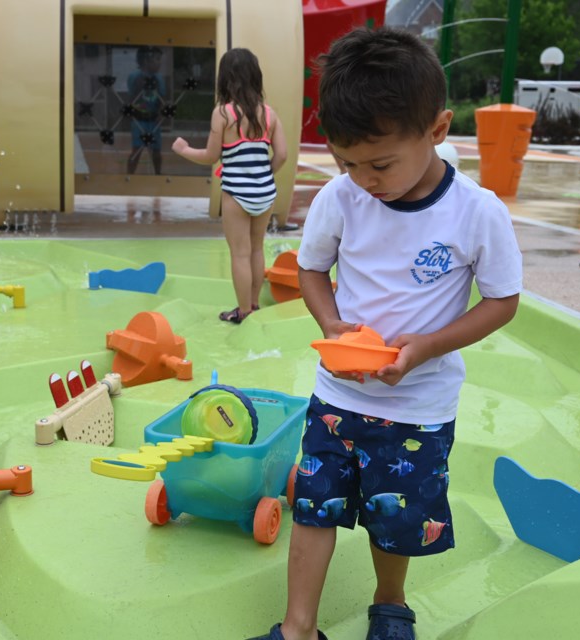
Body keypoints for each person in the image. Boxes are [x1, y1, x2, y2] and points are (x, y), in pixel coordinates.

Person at [248, 27, 522, 640]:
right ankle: (298, 627)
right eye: (347, 162)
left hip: (417, 407)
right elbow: (312, 269)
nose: (364, 179)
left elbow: (502, 301)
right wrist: (331, 322)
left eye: (379, 163)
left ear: (438, 129)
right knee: (313, 508)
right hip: (338, 396)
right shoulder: (341, 198)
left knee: (393, 518)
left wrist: (424, 348)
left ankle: (390, 603)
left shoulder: (476, 212)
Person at [172, 48, 287, 324]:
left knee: (240, 253)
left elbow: (211, 156)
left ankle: (243, 310)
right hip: (265, 192)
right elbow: (282, 155)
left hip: (236, 192)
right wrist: (263, 175)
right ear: (255, 77)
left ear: (225, 79)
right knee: (257, 249)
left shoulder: (223, 114)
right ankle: (255, 304)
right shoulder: (269, 115)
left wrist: (184, 149)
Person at [126, 46, 166, 175]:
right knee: (137, 149)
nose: (159, 63)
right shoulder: (134, 76)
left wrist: (161, 112)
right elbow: (132, 97)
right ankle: (129, 175)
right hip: (139, 120)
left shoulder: (159, 78)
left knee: (156, 151)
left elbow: (162, 98)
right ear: (146, 61)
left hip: (153, 120)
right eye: (156, 59)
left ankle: (158, 174)